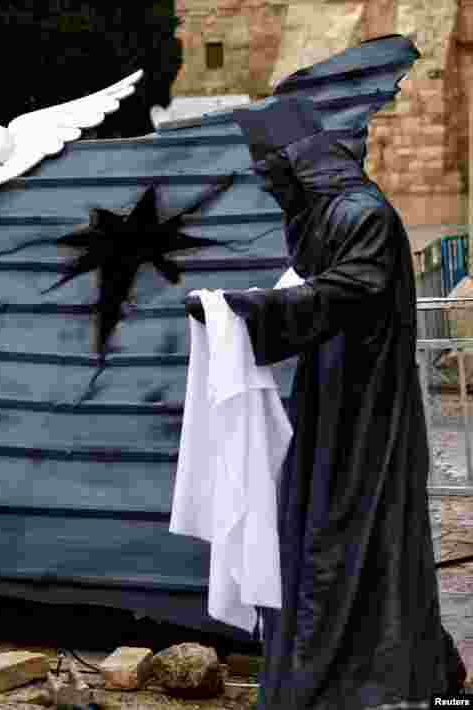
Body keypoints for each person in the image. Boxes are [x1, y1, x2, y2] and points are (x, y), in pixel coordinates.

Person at [186, 95, 465, 708]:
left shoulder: (359, 213)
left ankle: (361, 680)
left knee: (349, 531)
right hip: (333, 392)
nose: (263, 185)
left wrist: (249, 310)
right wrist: (241, 309)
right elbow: (311, 291)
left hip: (369, 405)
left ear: (295, 163)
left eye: (267, 171)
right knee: (322, 525)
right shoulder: (326, 213)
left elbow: (346, 293)